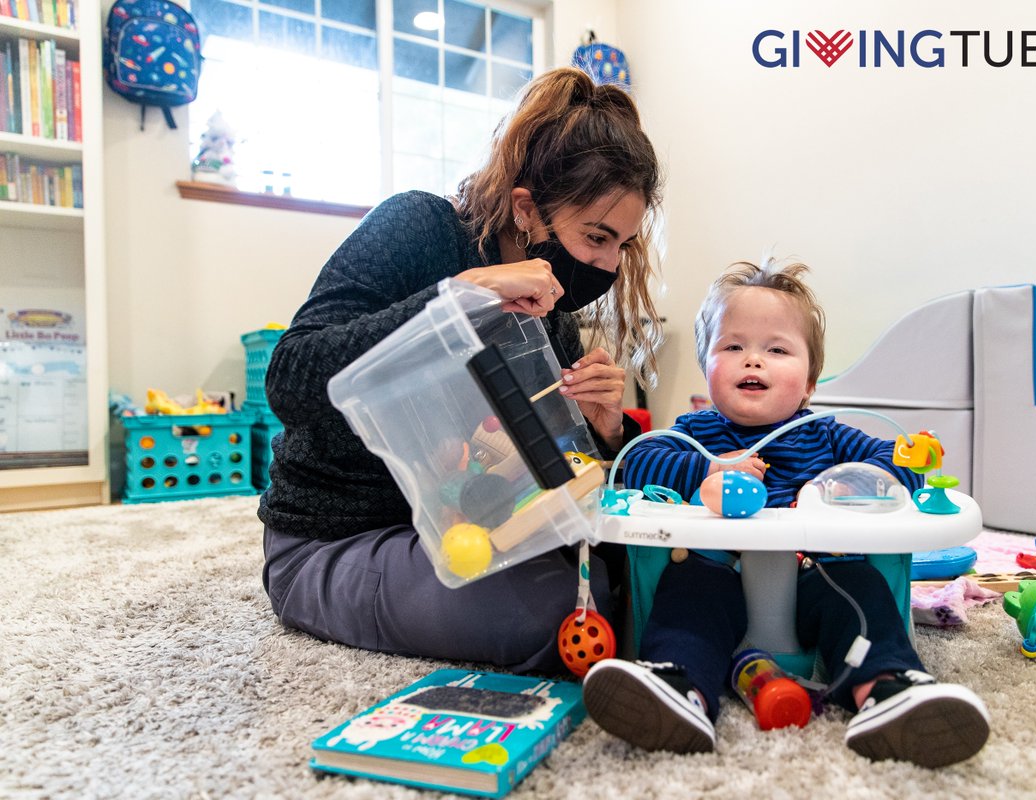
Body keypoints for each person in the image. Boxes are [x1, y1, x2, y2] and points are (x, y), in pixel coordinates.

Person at [259, 67, 662, 676]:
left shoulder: (549, 307)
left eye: (622, 246)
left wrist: (605, 432)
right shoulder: (418, 227)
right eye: (597, 237)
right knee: (571, 613)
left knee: (644, 568)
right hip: (335, 540)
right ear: (527, 210)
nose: (606, 264)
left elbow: (549, 473)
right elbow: (289, 380)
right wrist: (456, 298)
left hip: (468, 536)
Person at [582, 258, 990, 768]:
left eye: (776, 349)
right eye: (733, 347)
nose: (753, 361)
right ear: (707, 365)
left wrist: (836, 485)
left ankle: (886, 689)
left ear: (811, 381)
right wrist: (707, 473)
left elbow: (897, 466)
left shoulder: (827, 433)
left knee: (861, 590)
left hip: (818, 578)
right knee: (687, 591)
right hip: (719, 576)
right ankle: (680, 686)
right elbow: (635, 461)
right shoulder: (695, 431)